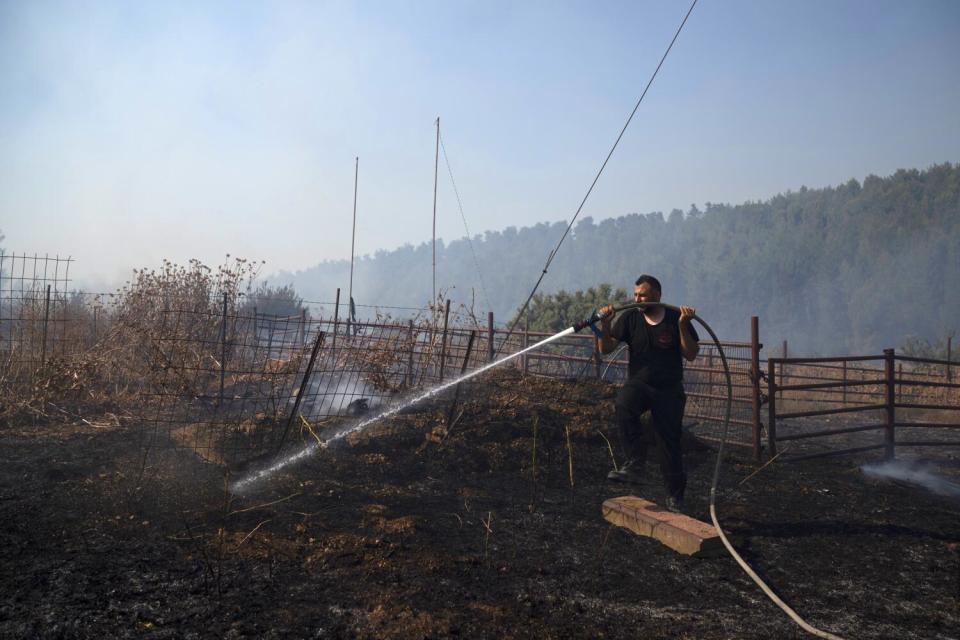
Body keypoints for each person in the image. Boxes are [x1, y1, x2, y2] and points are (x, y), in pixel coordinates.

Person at [596, 274, 699, 512]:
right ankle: (635, 464)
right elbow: (606, 349)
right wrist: (605, 324)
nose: (637, 299)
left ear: (657, 295)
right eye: (635, 295)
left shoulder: (675, 318)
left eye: (642, 295)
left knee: (668, 443)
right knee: (623, 404)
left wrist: (683, 325)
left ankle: (675, 497)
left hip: (669, 389)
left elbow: (691, 353)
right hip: (639, 385)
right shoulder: (631, 317)